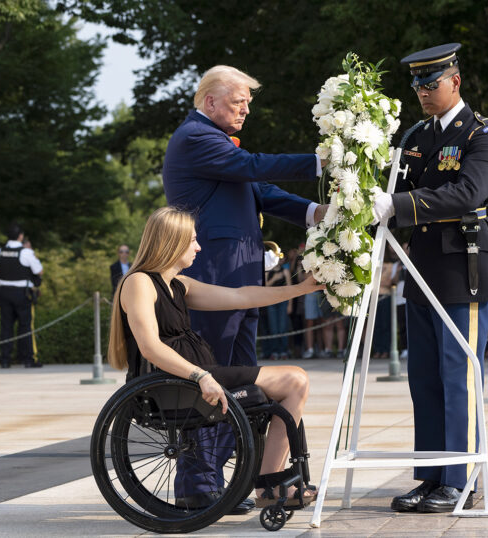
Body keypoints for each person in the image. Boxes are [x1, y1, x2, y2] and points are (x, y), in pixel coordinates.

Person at [161, 64, 326, 512]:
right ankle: (198, 485)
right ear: (210, 101)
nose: (246, 110)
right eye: (239, 102)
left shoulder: (216, 142)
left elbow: (262, 190)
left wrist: (318, 213)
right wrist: (320, 161)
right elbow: (253, 167)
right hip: (214, 278)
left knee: (243, 384)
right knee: (213, 380)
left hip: (240, 277)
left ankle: (248, 478)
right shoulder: (195, 138)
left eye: (248, 103)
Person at [108, 207, 321, 508]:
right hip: (174, 384)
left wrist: (300, 289)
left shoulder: (179, 284)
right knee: (295, 380)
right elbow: (150, 347)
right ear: (172, 241)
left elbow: (242, 297)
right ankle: (269, 487)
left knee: (294, 382)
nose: (198, 246)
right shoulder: (139, 282)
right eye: (192, 240)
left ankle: (270, 484)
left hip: (193, 377)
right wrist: (200, 376)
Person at [372, 43, 488, 512]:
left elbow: (471, 191)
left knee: (458, 375)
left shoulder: (481, 134)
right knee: (424, 378)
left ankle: (461, 480)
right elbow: (393, 189)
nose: (423, 93)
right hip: (422, 267)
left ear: (456, 81)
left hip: (461, 265)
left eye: (431, 84)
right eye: (417, 86)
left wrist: (401, 206)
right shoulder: (416, 136)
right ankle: (432, 478)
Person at [0, 224, 44, 368]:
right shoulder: (25, 252)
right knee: (26, 326)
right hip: (22, 293)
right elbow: (39, 271)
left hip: (4, 292)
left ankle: (5, 359)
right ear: (20, 236)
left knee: (6, 326)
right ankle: (28, 359)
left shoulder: (0, 251)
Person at [262, 259, 292, 359]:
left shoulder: (285, 271)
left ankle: (283, 351)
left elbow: (290, 289)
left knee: (282, 328)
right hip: (271, 302)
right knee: (273, 328)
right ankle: (274, 351)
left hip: (283, 302)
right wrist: (274, 278)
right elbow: (264, 287)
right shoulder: (268, 272)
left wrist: (290, 305)